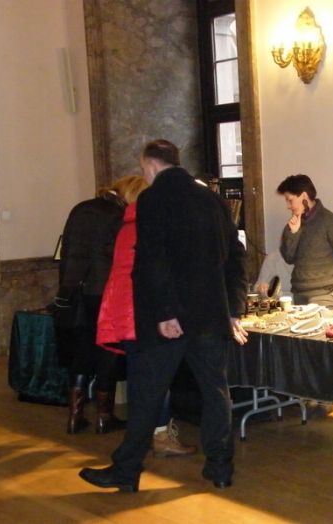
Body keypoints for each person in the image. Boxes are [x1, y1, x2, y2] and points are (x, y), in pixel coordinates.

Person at [79, 139, 248, 493]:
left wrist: (165, 312)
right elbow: (236, 256)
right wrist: (233, 309)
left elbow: (152, 261)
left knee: (146, 394)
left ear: (152, 166)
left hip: (169, 319)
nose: (144, 175)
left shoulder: (153, 198)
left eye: (144, 169)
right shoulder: (212, 199)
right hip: (211, 315)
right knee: (216, 392)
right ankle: (220, 468)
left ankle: (126, 471)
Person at [95, 174, 196, 458]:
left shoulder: (125, 227)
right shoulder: (147, 227)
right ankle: (159, 436)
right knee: (157, 379)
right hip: (143, 312)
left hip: (124, 311)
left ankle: (142, 439)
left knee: (141, 378)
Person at [57, 176, 139, 435]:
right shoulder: (119, 216)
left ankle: (74, 416)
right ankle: (104, 416)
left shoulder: (81, 208)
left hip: (78, 290)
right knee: (108, 351)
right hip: (106, 291)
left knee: (82, 349)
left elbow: (67, 250)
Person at [277, 174, 333, 308]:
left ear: (304, 196)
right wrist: (293, 233)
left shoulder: (329, 221)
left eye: (290, 200)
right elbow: (288, 258)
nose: (288, 206)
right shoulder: (293, 224)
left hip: (324, 296)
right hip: (299, 294)